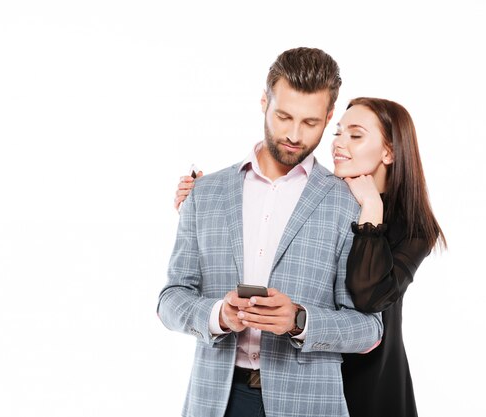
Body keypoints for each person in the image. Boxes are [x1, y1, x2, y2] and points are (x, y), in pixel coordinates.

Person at [175, 97, 446, 417]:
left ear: (389, 152)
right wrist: (203, 203)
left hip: (370, 380)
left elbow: (370, 297)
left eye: (355, 136)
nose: (339, 144)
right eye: (338, 133)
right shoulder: (327, 199)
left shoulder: (414, 229)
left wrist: (372, 210)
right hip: (303, 374)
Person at [158, 47, 383, 417]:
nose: (294, 134)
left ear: (329, 118)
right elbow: (170, 300)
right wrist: (217, 315)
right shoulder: (207, 193)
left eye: (311, 123)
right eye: (283, 116)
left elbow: (370, 328)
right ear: (264, 101)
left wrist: (300, 320)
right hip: (216, 400)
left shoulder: (348, 203)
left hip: (310, 404)